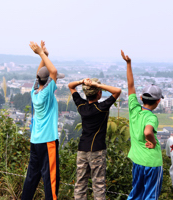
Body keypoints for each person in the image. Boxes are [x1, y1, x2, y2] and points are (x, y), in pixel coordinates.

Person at [22, 41, 64, 200]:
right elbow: (53, 71)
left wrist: (44, 55)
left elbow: (40, 74)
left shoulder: (34, 91)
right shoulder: (47, 93)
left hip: (35, 140)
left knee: (32, 176)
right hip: (48, 141)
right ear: (49, 82)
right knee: (50, 178)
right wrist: (40, 53)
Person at [68, 77, 121, 200]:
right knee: (98, 185)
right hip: (97, 150)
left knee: (80, 183)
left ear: (86, 94)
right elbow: (117, 91)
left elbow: (71, 86)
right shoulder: (101, 108)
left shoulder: (81, 106)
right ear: (99, 93)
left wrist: (82, 82)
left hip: (82, 149)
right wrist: (97, 85)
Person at [121, 50, 164, 200]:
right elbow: (147, 132)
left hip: (137, 160)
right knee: (150, 196)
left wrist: (128, 64)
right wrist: (152, 142)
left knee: (136, 193)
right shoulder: (151, 117)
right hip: (152, 162)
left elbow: (130, 85)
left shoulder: (134, 109)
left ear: (141, 97)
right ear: (158, 101)